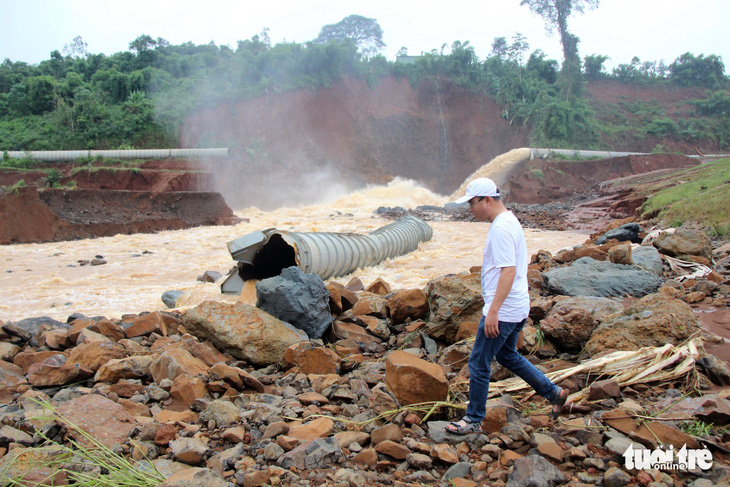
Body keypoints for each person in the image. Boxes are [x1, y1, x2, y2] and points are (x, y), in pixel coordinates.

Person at [446, 177, 568, 435]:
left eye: (472, 203)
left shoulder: (501, 228)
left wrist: (493, 312)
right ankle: (553, 393)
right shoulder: (509, 220)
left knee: (479, 362)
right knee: (506, 355)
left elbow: (508, 272)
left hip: (504, 310)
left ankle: (473, 419)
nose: (470, 209)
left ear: (487, 200)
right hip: (517, 307)